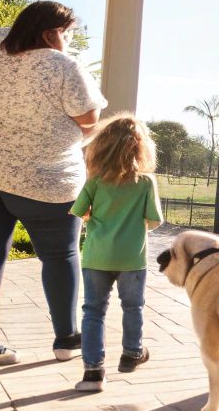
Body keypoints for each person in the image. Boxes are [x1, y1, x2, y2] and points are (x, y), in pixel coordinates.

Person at [0, 1, 106, 368]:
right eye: (67, 33)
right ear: (50, 33)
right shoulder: (62, 65)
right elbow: (89, 117)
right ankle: (66, 339)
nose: (69, 40)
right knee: (61, 256)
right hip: (46, 181)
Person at [69, 115, 163, 392]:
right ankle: (132, 352)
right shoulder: (145, 183)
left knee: (93, 311)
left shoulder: (95, 182)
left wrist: (96, 218)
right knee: (133, 307)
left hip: (96, 257)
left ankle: (93, 372)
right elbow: (154, 221)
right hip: (132, 260)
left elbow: (78, 212)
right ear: (140, 148)